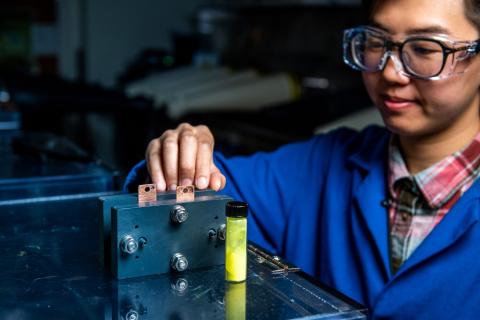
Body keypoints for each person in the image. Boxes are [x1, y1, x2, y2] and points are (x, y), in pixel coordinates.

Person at [124, 0, 480, 318]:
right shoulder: (319, 169)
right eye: (376, 42)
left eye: (425, 48)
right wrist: (179, 159)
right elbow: (178, 199)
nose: (389, 72)